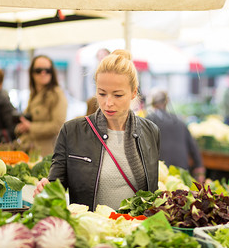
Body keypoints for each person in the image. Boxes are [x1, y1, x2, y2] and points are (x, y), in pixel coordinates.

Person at [34, 49, 160, 211]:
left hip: (137, 230)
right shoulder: (72, 131)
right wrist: (46, 188)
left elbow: (152, 192)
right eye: (102, 93)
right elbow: (56, 185)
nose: (108, 103)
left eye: (117, 95)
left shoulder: (151, 131)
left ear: (134, 92)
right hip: (92, 231)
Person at [145, 90, 205, 183]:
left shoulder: (148, 120)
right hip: (182, 169)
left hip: (162, 172)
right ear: (166, 102)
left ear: (152, 103)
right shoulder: (179, 120)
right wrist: (199, 166)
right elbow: (193, 146)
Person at [15, 55, 67, 157]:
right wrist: (20, 128)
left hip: (46, 154)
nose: (43, 73)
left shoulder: (56, 94)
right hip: (29, 151)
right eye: (38, 70)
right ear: (32, 74)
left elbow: (57, 126)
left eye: (47, 70)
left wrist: (30, 127)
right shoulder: (33, 94)